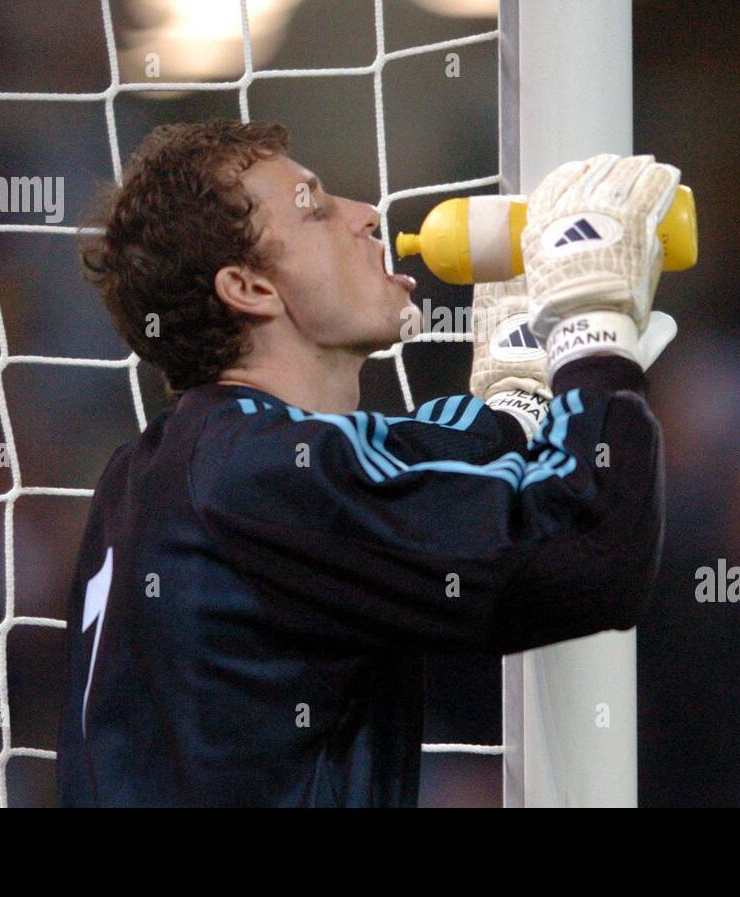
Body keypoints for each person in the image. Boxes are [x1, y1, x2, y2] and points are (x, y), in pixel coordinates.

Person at [58, 118, 679, 806]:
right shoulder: (252, 474)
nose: (366, 215)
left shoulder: (162, 468)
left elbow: (421, 466)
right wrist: (596, 331)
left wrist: (525, 385)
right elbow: (593, 554)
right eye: (315, 210)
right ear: (250, 288)